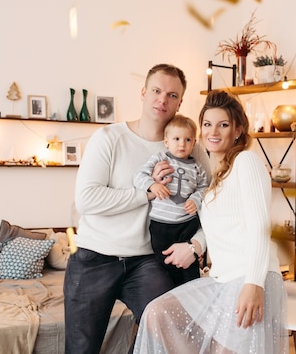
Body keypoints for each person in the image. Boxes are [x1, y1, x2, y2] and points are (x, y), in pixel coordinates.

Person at [64, 64, 211, 354]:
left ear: (180, 102)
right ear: (143, 92)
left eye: (172, 95)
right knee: (81, 350)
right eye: (156, 91)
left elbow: (213, 204)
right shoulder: (109, 138)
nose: (162, 100)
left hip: (147, 261)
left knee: (170, 331)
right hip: (94, 258)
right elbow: (87, 200)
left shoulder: (191, 148)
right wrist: (144, 194)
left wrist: (197, 246)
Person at [134, 90, 288, 354]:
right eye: (207, 124)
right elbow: (216, 227)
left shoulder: (246, 161)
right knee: (156, 313)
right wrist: (195, 245)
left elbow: (259, 227)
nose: (213, 131)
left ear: (238, 129)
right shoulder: (215, 177)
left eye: (223, 124)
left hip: (249, 278)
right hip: (222, 280)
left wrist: (254, 284)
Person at [134, 114, 209, 285]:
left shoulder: (197, 167)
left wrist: (196, 199)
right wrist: (152, 186)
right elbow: (139, 176)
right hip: (162, 224)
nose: (182, 144)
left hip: (186, 223)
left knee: (189, 270)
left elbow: (204, 188)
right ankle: (169, 289)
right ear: (166, 141)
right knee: (164, 263)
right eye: (177, 139)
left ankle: (189, 292)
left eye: (188, 139)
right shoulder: (161, 158)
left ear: (194, 143)